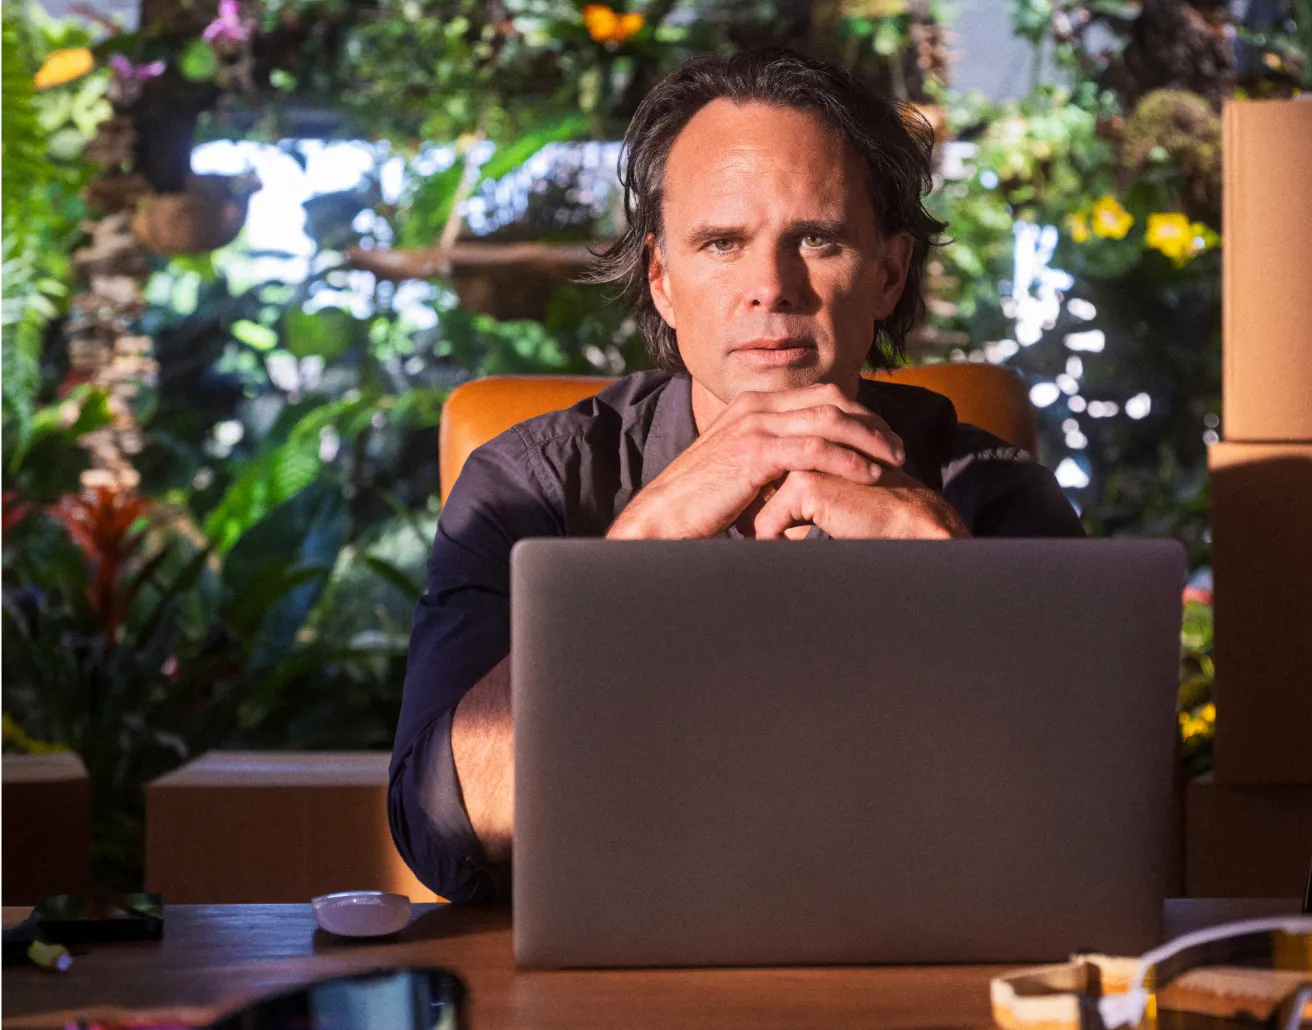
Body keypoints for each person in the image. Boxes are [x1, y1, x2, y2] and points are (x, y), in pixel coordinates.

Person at [389, 48, 1085, 903]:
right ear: (662, 279)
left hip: (913, 947)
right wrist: (634, 557)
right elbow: (450, 833)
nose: (770, 288)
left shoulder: (990, 491)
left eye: (817, 240)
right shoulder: (529, 484)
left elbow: (1083, 832)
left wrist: (953, 580)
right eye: (721, 243)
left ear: (887, 275)